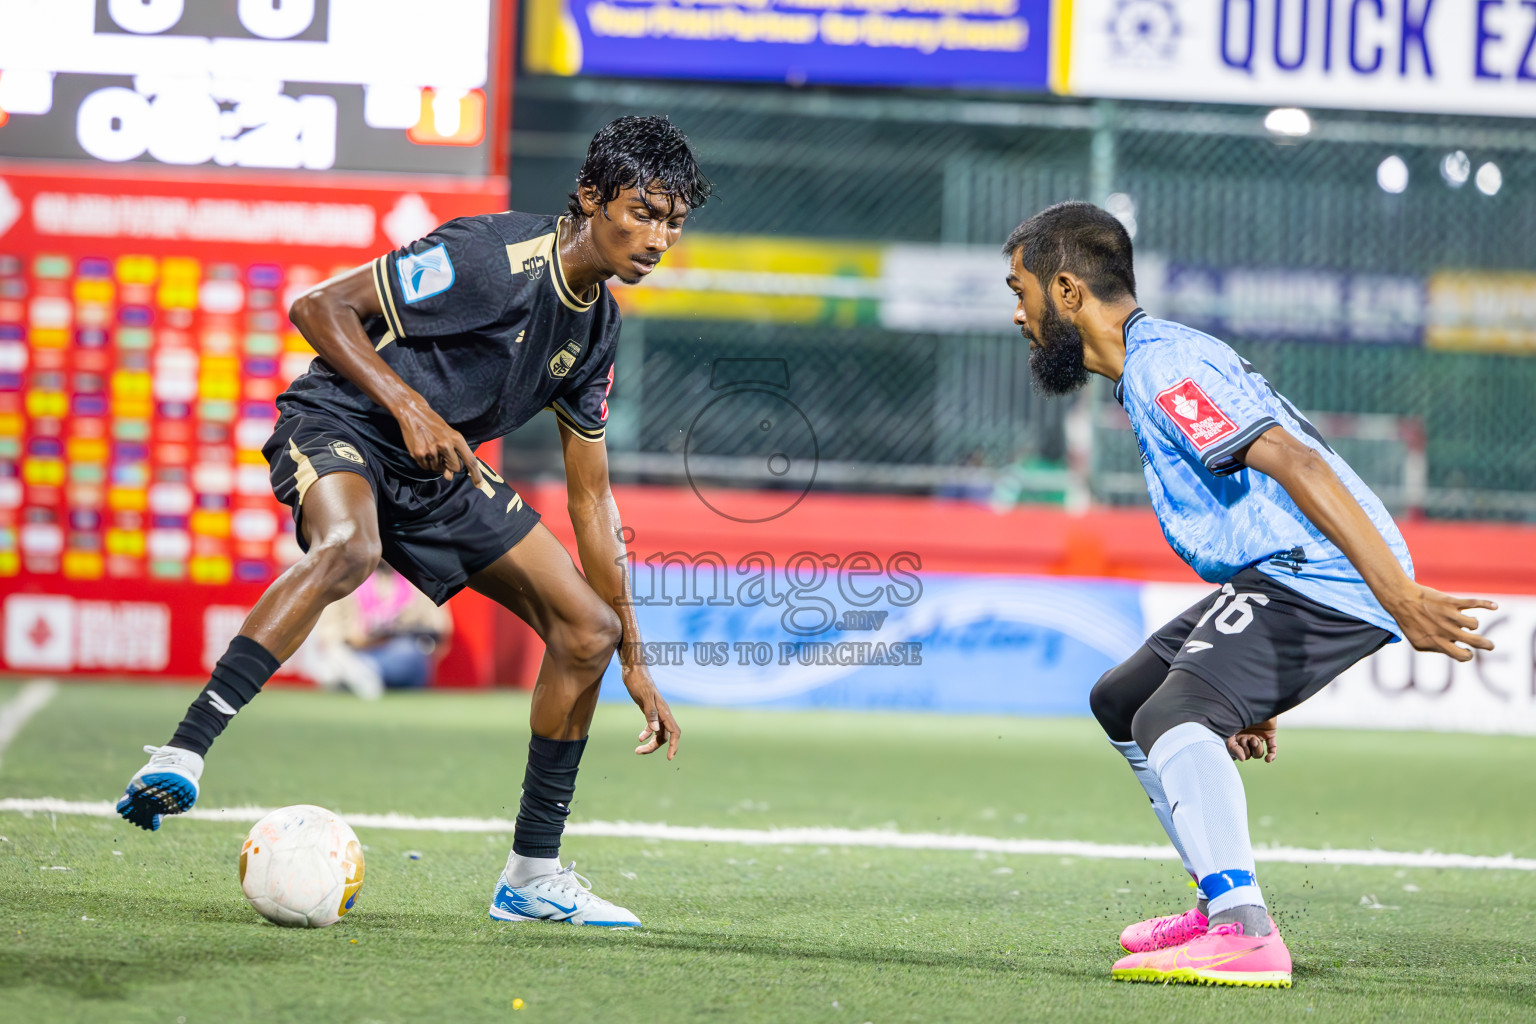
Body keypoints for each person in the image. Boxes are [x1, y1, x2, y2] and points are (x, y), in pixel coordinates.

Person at [116, 115, 711, 929]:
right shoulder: (485, 256)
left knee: (587, 629)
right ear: (589, 197)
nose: (657, 238)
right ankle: (183, 750)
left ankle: (531, 877)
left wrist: (636, 656)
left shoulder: (597, 327)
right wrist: (408, 405)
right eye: (641, 212)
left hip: (437, 467)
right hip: (345, 422)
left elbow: (591, 501)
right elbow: (320, 306)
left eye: (673, 222)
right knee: (350, 550)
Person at [1002, 202, 1495, 987]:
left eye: (1019, 288)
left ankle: (1243, 930)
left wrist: (1399, 596)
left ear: (1067, 291)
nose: (1018, 313)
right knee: (1124, 698)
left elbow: (1297, 465)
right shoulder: (1150, 366)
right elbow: (1256, 507)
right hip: (1285, 571)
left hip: (1322, 572)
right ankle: (1216, 901)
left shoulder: (1165, 370)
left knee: (1173, 714)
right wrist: (1241, 680)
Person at [307, 561, 453, 699]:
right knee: (337, 655)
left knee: (408, 652)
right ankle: (357, 674)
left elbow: (439, 630)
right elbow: (329, 633)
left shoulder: (419, 579)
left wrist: (399, 633)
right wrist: (358, 640)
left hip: (401, 654)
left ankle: (363, 674)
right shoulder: (346, 579)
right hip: (356, 652)